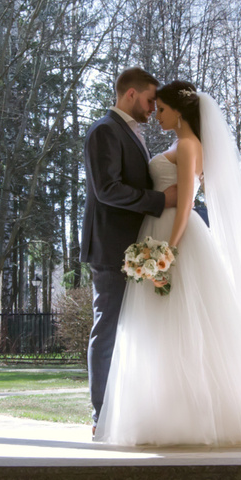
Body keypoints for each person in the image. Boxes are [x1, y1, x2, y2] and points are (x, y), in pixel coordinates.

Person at [91, 78, 241, 447]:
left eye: (162, 108)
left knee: (183, 328)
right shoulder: (177, 142)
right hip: (156, 231)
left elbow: (184, 204)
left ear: (178, 111)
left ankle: (190, 415)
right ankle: (162, 412)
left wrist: (168, 250)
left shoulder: (186, 144)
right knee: (161, 331)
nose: (157, 114)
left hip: (173, 236)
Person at [82, 67, 164, 420]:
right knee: (108, 332)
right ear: (130, 94)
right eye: (149, 101)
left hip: (135, 250)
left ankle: (126, 411)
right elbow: (108, 190)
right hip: (112, 248)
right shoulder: (105, 131)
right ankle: (101, 416)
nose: (153, 109)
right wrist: (161, 201)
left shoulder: (129, 133)